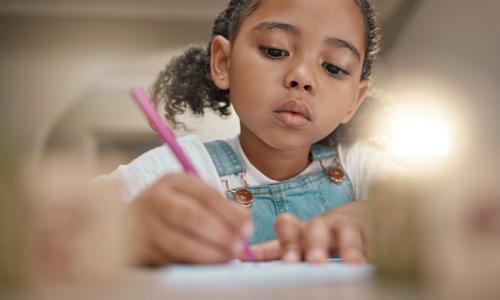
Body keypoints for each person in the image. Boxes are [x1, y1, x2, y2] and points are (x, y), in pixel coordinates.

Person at [104, 0, 406, 266]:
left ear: (353, 100)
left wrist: (377, 218)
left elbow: (430, 212)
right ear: (223, 62)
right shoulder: (177, 169)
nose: (302, 77)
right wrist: (130, 229)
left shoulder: (360, 167)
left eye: (335, 68)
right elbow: (68, 223)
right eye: (275, 50)